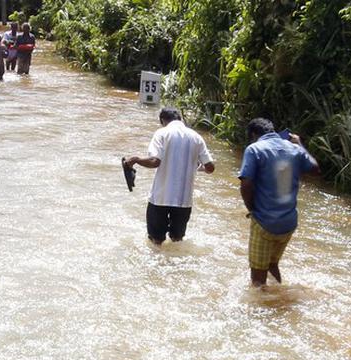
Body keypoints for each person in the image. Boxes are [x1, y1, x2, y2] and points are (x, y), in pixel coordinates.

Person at [236, 118, 318, 286]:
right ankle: (279, 296)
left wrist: (252, 209)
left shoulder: (254, 149)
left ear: (253, 134)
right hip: (288, 223)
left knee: (258, 279)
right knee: (272, 265)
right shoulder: (294, 149)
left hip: (265, 222)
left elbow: (246, 184)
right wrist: (300, 144)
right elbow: (315, 169)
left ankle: (264, 311)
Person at [121, 108, 215, 245]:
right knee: (177, 241)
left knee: (156, 241)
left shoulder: (162, 133)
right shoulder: (196, 137)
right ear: (180, 120)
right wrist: (195, 167)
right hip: (184, 201)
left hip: (161, 198)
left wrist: (135, 160)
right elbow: (210, 168)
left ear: (162, 121)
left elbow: (155, 162)